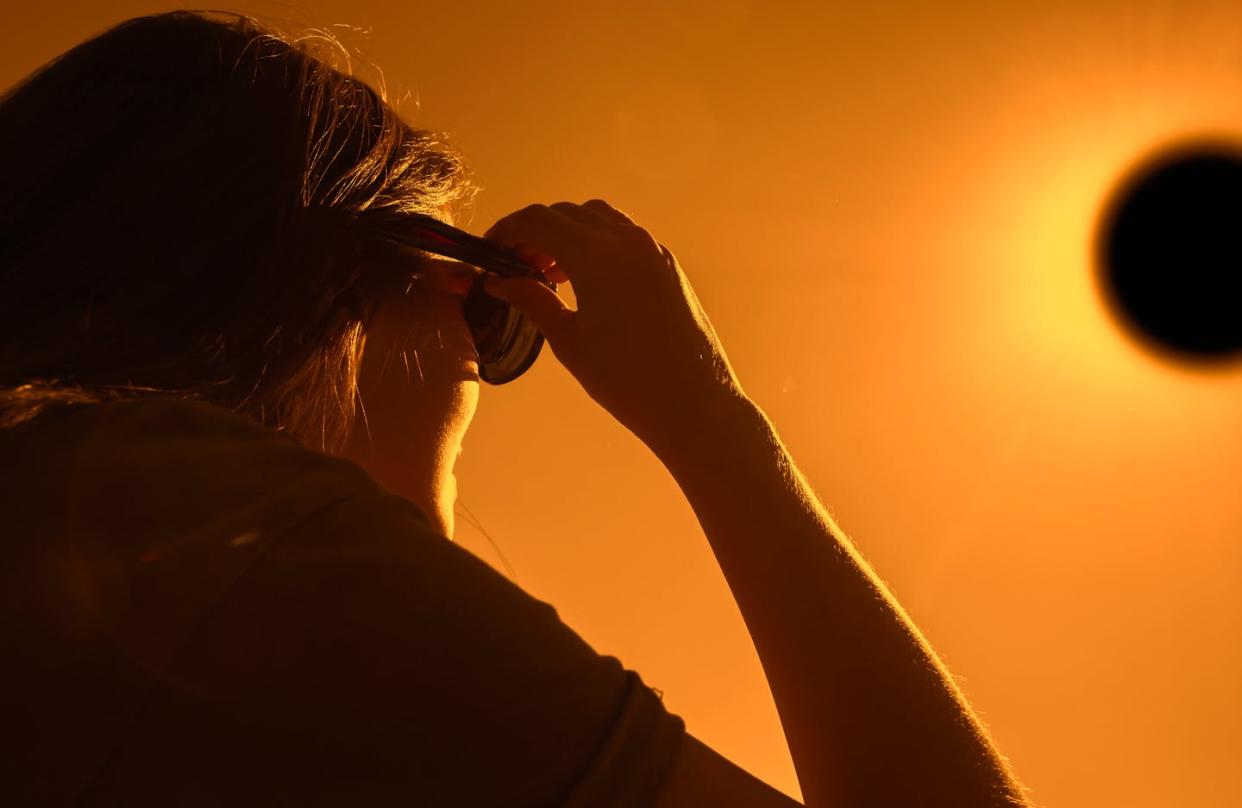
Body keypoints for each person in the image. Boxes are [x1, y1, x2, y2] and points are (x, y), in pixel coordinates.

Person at [0, 10, 1031, 807]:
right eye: (488, 296)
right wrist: (716, 427)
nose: (483, 361)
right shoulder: (236, 550)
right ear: (326, 278)